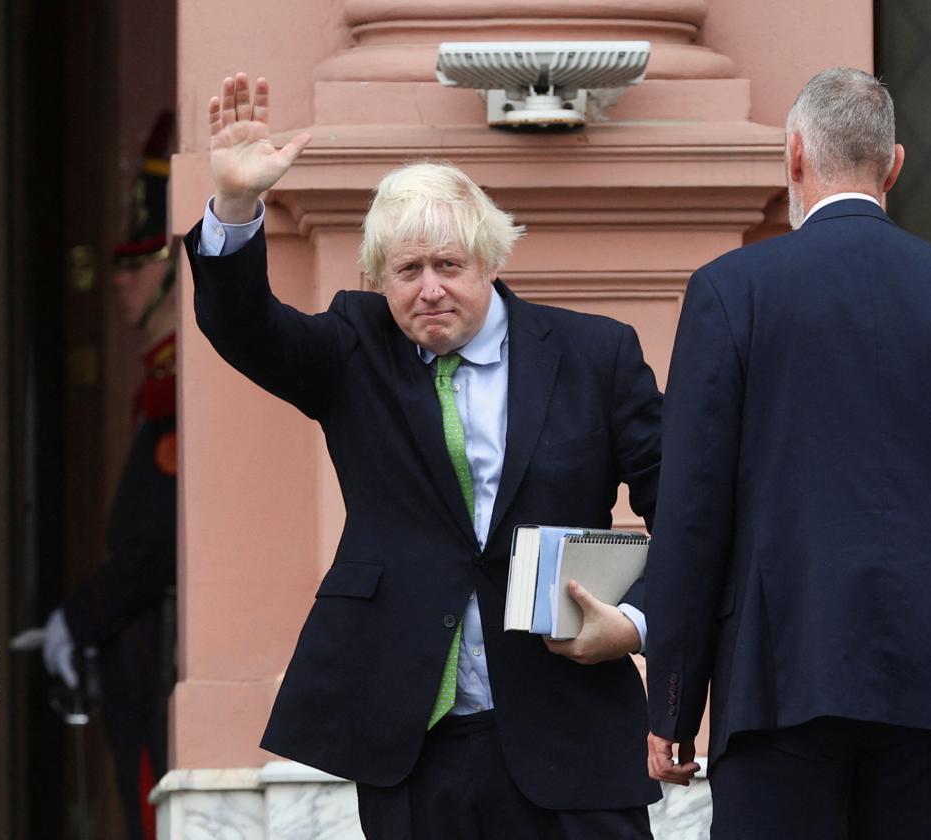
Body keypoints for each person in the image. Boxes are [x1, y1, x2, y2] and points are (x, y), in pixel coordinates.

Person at [187, 73, 664, 839]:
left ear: (491, 263)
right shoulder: (355, 346)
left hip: (568, 728)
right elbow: (246, 329)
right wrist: (239, 206)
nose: (430, 290)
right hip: (415, 739)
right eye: (408, 272)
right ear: (380, 280)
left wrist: (637, 622)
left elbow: (684, 507)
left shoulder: (594, 355)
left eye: (449, 266)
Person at [643, 67, 931, 840]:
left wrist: (672, 700)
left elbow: (695, 510)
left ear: (795, 156)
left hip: (779, 682)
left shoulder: (731, 289)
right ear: (893, 165)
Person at [41, 113, 177, 840]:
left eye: (136, 265)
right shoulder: (156, 384)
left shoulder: (175, 387)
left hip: (154, 639)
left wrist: (83, 615)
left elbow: (154, 547)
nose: (120, 282)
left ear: (169, 270)